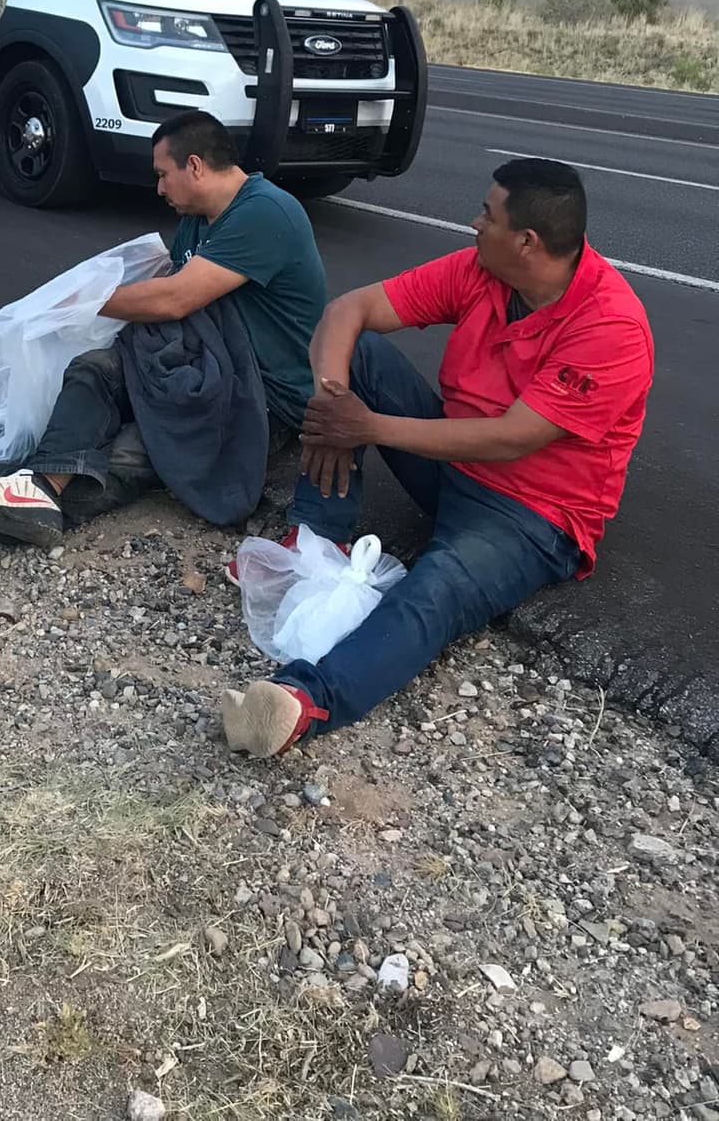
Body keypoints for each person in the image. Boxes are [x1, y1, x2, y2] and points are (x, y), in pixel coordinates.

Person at [220, 158, 654, 759]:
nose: (474, 223)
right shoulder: (487, 272)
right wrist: (330, 408)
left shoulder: (611, 326)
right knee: (357, 359)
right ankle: (316, 537)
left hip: (531, 516)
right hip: (454, 466)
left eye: (488, 215)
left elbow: (513, 437)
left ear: (527, 242)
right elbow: (351, 310)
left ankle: (301, 702)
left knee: (436, 589)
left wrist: (367, 426)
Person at [0, 110, 327, 548]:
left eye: (163, 175)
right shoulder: (197, 218)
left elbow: (174, 298)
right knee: (93, 368)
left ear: (196, 166)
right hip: (202, 362)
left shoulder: (266, 212)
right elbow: (169, 286)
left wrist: (81, 302)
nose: (159, 188)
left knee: (140, 443)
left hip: (261, 391)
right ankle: (26, 490)